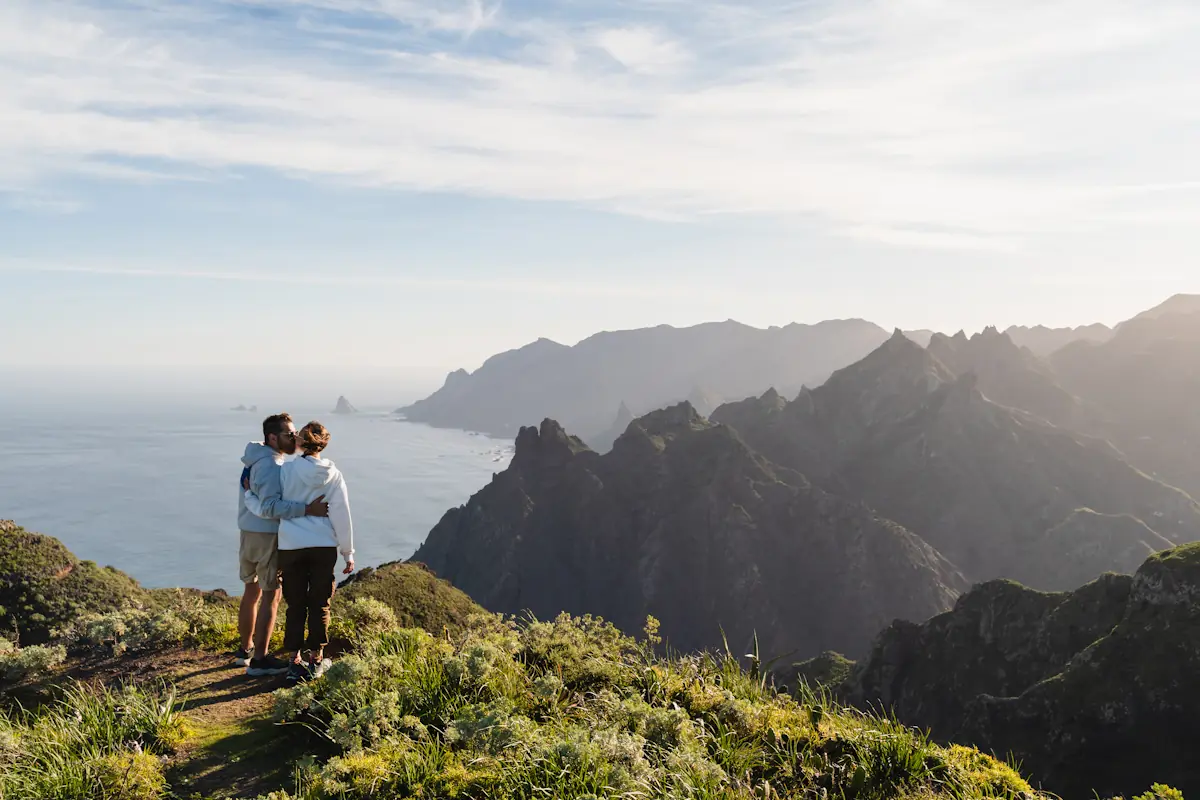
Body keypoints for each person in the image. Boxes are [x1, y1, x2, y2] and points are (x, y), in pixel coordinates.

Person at [244, 421, 354, 683]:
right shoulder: (334, 474)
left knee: (295, 605)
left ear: (301, 443)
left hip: (291, 546)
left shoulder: (286, 471)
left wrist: (249, 495)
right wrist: (348, 553)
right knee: (320, 604)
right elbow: (342, 514)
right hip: (324, 547)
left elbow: (272, 506)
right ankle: (316, 658)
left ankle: (294, 660)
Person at [236, 413, 329, 677]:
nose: (294, 437)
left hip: (248, 532)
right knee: (271, 595)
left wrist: (300, 448)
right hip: (265, 535)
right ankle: (260, 660)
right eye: (289, 434)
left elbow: (253, 498)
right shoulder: (271, 465)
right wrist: (307, 509)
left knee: (251, 591)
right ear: (273, 437)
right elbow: (270, 507)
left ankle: (245, 650)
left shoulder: (255, 458)